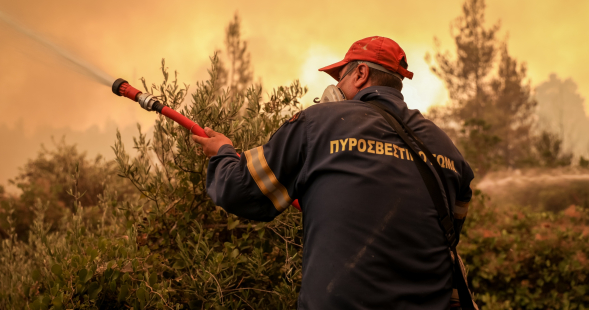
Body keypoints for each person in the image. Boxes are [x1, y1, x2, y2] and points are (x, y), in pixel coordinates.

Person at [193, 36, 474, 310]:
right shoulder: (446, 148)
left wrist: (224, 153)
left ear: (361, 73)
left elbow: (240, 190)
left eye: (340, 77)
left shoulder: (318, 124)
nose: (336, 86)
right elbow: (446, 230)